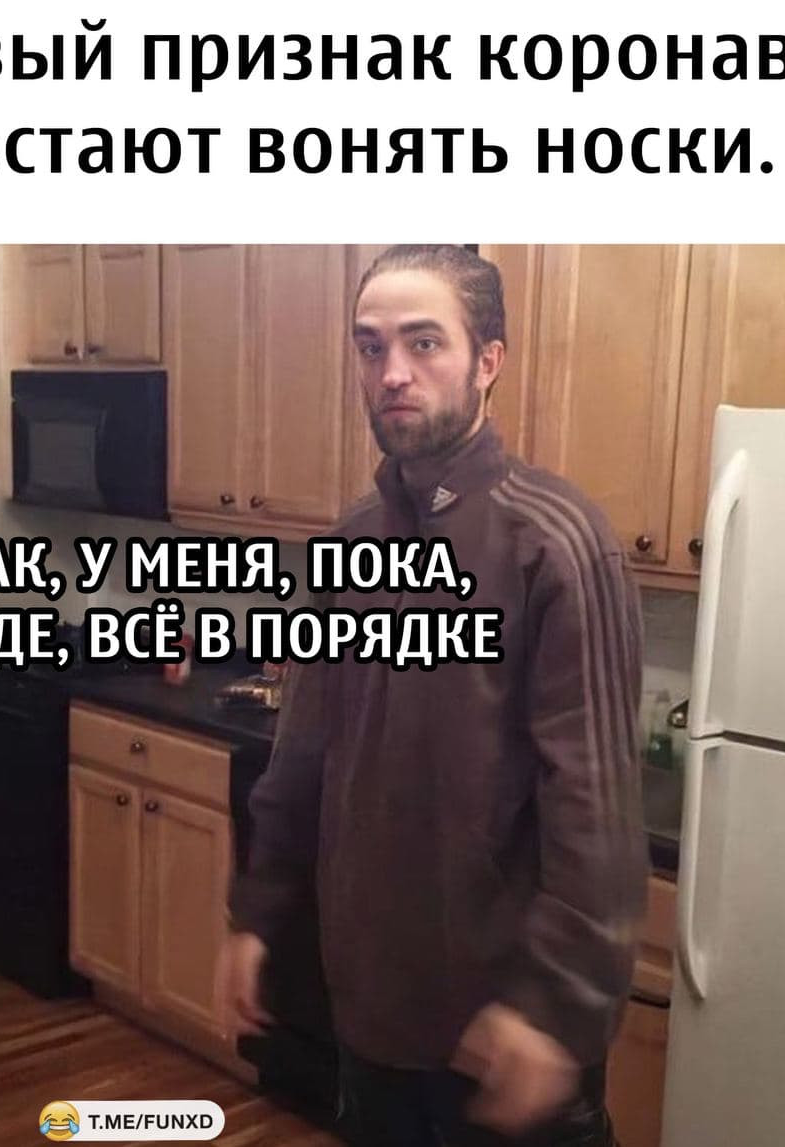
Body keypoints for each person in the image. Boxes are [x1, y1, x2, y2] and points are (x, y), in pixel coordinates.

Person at [216, 245, 647, 1146]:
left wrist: (554, 1006)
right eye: (370, 347)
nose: (392, 373)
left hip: (509, 1033)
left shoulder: (554, 543)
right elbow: (302, 759)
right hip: (371, 1016)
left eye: (423, 342)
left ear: (488, 360)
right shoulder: (351, 543)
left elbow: (595, 808)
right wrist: (257, 916)